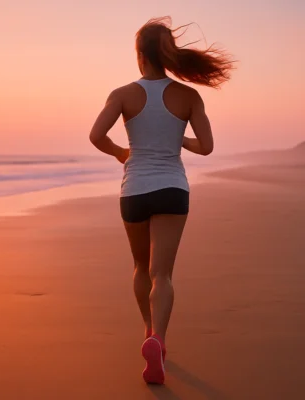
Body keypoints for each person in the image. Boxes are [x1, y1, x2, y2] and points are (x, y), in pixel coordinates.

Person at [88, 17, 234, 385]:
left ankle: (147, 332)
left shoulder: (122, 94)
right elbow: (207, 147)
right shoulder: (189, 96)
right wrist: (177, 139)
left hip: (134, 189)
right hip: (172, 188)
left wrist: (123, 153)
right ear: (168, 54)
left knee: (141, 268)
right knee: (162, 274)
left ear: (140, 55)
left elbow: (96, 135)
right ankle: (160, 341)